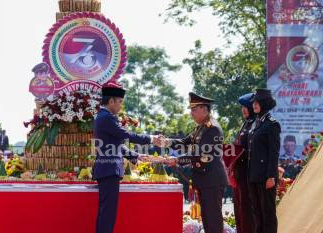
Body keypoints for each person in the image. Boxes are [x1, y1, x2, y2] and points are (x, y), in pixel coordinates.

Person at [158, 92, 229, 233]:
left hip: (212, 180)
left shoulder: (212, 128)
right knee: (207, 219)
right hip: (204, 179)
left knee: (213, 220)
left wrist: (177, 160)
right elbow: (185, 142)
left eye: (194, 110)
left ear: (204, 109)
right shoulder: (200, 127)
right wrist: (167, 142)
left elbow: (200, 154)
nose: (191, 113)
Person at [93, 82, 156, 233]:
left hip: (106, 170)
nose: (121, 105)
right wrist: (151, 138)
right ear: (111, 101)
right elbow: (126, 135)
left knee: (106, 213)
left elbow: (116, 145)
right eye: (119, 101)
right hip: (109, 170)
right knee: (107, 214)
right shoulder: (106, 117)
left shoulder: (103, 117)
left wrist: (137, 155)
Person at [247, 88, 281, 233]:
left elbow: (274, 153)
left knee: (268, 214)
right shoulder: (255, 124)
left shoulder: (272, 124)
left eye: (258, 102)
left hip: (266, 177)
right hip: (253, 175)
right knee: (257, 214)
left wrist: (271, 176)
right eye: (253, 102)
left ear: (265, 103)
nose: (254, 104)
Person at [232, 93, 255, 233]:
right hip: (239, 174)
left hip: (248, 174)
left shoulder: (255, 124)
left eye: (246, 107)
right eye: (242, 107)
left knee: (246, 211)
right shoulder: (246, 123)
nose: (244, 110)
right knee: (239, 209)